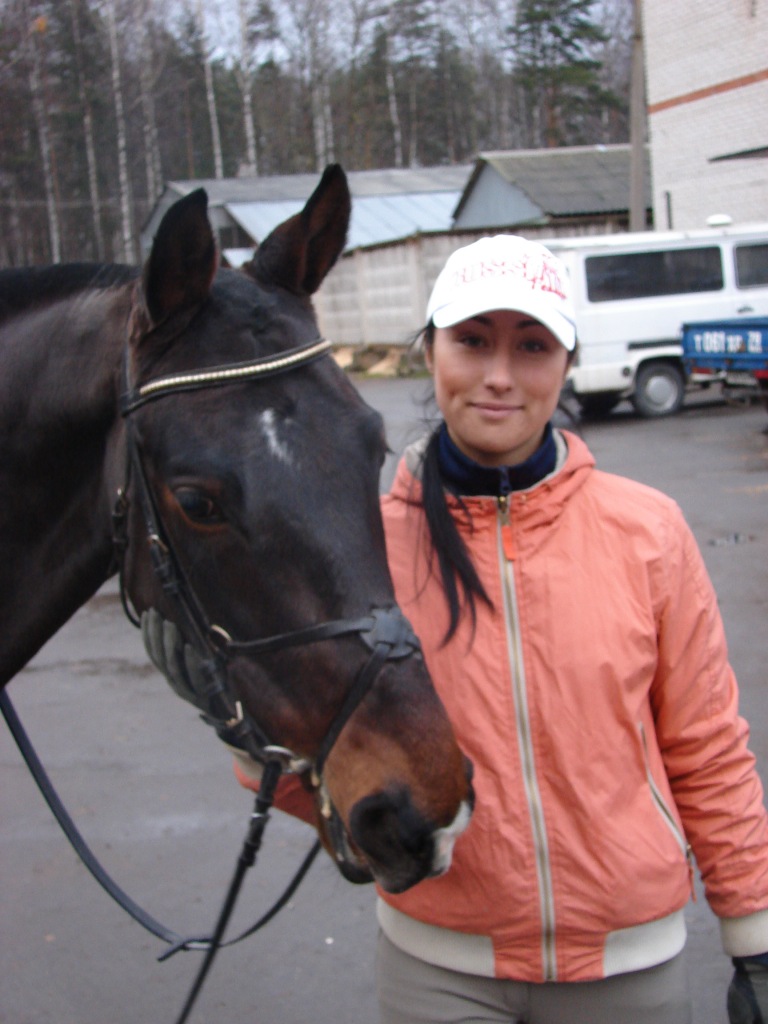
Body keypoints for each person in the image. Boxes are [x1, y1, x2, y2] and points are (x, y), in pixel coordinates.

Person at [154, 234, 768, 1023]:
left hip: (628, 967)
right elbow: (336, 780)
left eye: (532, 346)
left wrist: (754, 935)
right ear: (431, 352)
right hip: (437, 974)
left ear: (568, 363)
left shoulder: (649, 532)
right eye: (473, 341)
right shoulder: (364, 545)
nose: (500, 375)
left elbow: (706, 747)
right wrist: (243, 732)